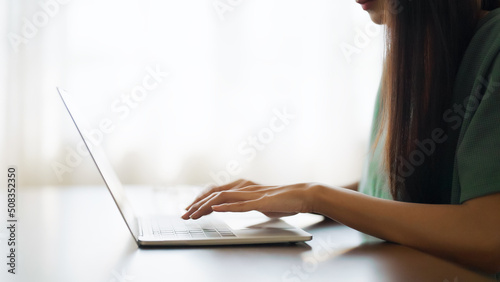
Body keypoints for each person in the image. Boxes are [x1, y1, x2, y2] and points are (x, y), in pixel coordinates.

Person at [182, 0, 500, 276]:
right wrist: (289, 195)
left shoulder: (493, 47)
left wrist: (316, 196)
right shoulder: (407, 57)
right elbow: (387, 192)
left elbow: (489, 237)